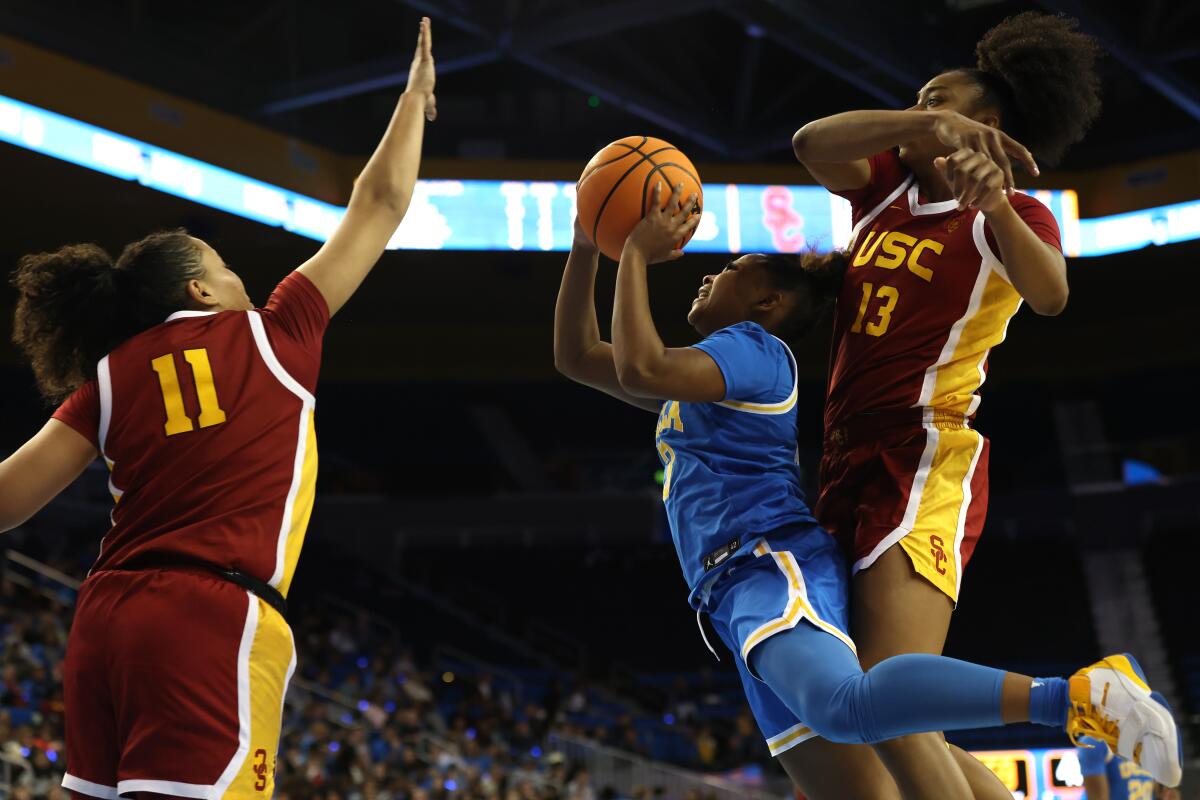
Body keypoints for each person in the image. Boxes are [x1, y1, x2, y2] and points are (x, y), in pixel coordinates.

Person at [552, 180, 1181, 798]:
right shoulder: (706, 371)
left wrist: (632, 252)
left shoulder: (755, 350)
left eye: (733, 269)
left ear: (767, 305)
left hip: (768, 564)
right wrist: (586, 244)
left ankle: (1074, 696)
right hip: (726, 594)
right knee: (866, 783)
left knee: (846, 704)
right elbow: (578, 356)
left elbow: (640, 364)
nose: (712, 275)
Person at [0, 18, 437, 798]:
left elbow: (4, 500)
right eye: (226, 268)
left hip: (103, 620)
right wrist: (411, 99)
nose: (240, 279)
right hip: (207, 621)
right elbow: (381, 201)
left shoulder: (107, 377)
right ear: (201, 291)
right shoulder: (276, 332)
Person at [791, 11, 1106, 798]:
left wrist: (997, 200)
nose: (919, 110)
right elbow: (809, 143)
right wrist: (926, 117)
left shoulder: (1008, 214)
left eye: (938, 98)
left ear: (987, 125)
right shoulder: (885, 191)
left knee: (888, 701)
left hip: (921, 453)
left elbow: (1052, 295)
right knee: (882, 712)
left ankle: (1090, 700)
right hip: (839, 460)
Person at [1076, 736, 1179, 800]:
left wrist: (1164, 794)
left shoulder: (1148, 743)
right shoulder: (1094, 742)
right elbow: (1098, 797)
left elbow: (1156, 791)